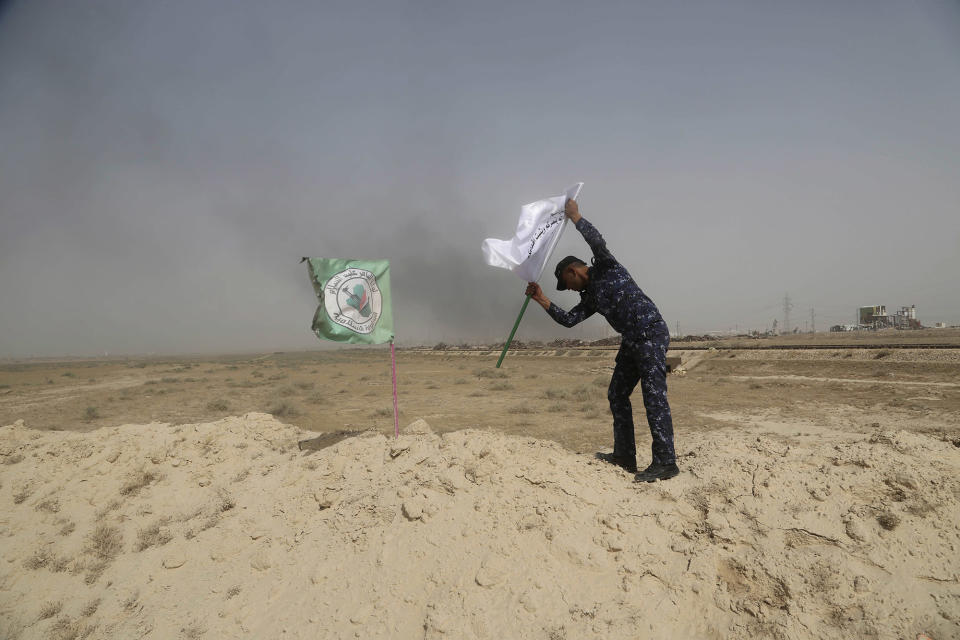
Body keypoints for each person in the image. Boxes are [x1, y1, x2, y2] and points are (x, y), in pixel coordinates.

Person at [525, 198, 679, 482]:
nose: (569, 289)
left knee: (653, 395)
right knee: (617, 393)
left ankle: (666, 461)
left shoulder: (606, 267)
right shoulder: (591, 296)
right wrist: (541, 299)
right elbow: (569, 320)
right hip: (632, 340)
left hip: (650, 332)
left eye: (566, 284)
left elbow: (598, 243)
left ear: (573, 271)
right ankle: (624, 456)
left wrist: (576, 217)